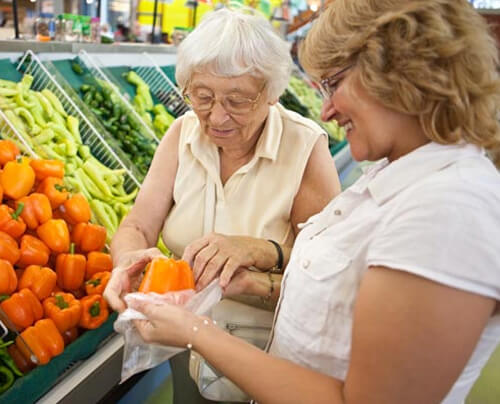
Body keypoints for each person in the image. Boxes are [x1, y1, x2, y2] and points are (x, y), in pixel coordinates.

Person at [125, 0, 500, 403]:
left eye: (334, 83)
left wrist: (195, 332)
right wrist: (250, 281)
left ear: (400, 74)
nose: (327, 109)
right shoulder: (396, 179)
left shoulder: (450, 210)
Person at [103, 7, 341, 403]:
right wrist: (127, 260)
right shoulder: (182, 133)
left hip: (269, 357)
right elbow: (138, 226)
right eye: (202, 96)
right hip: (182, 348)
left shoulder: (304, 146)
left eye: (238, 100)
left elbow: (328, 275)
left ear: (271, 93)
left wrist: (261, 252)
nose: (216, 116)